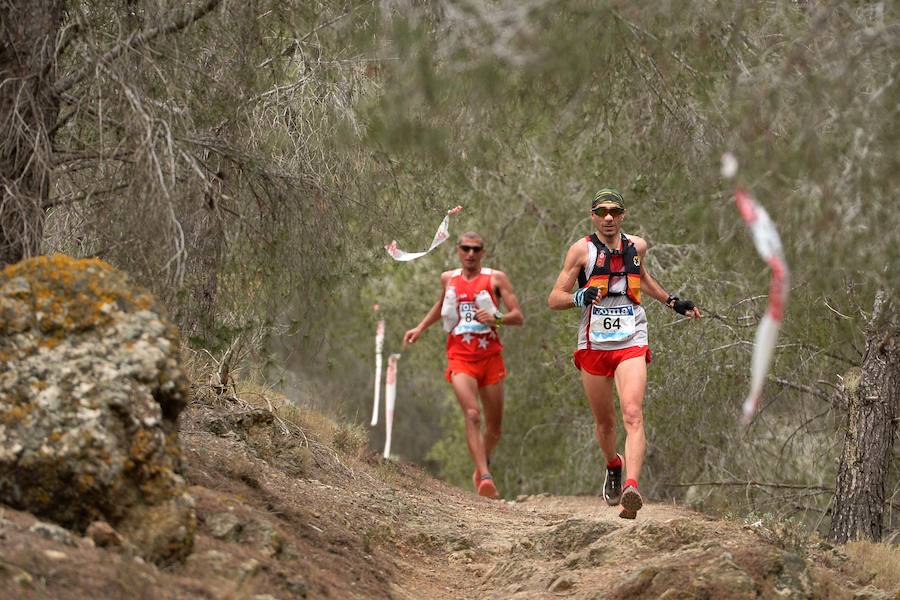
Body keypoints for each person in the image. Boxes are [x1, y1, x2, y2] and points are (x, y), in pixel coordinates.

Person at [547, 188, 701, 518]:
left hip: (631, 336)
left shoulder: (637, 246)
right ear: (592, 216)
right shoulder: (581, 251)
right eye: (601, 212)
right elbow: (554, 297)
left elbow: (640, 277)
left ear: (623, 215)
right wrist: (579, 297)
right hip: (594, 343)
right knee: (605, 424)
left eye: (614, 212)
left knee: (633, 413)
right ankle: (613, 465)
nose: (608, 217)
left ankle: (632, 485)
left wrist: (673, 302)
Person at [403, 232, 524, 499]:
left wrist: (497, 318)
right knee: (472, 415)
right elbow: (441, 304)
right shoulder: (449, 279)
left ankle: (480, 465)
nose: (470, 254)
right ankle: (484, 475)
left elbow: (518, 316)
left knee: (494, 427)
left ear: (483, 252)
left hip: (491, 358)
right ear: (458, 250)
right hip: (460, 357)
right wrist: (420, 327)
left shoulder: (496, 279)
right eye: (465, 249)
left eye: (476, 249)